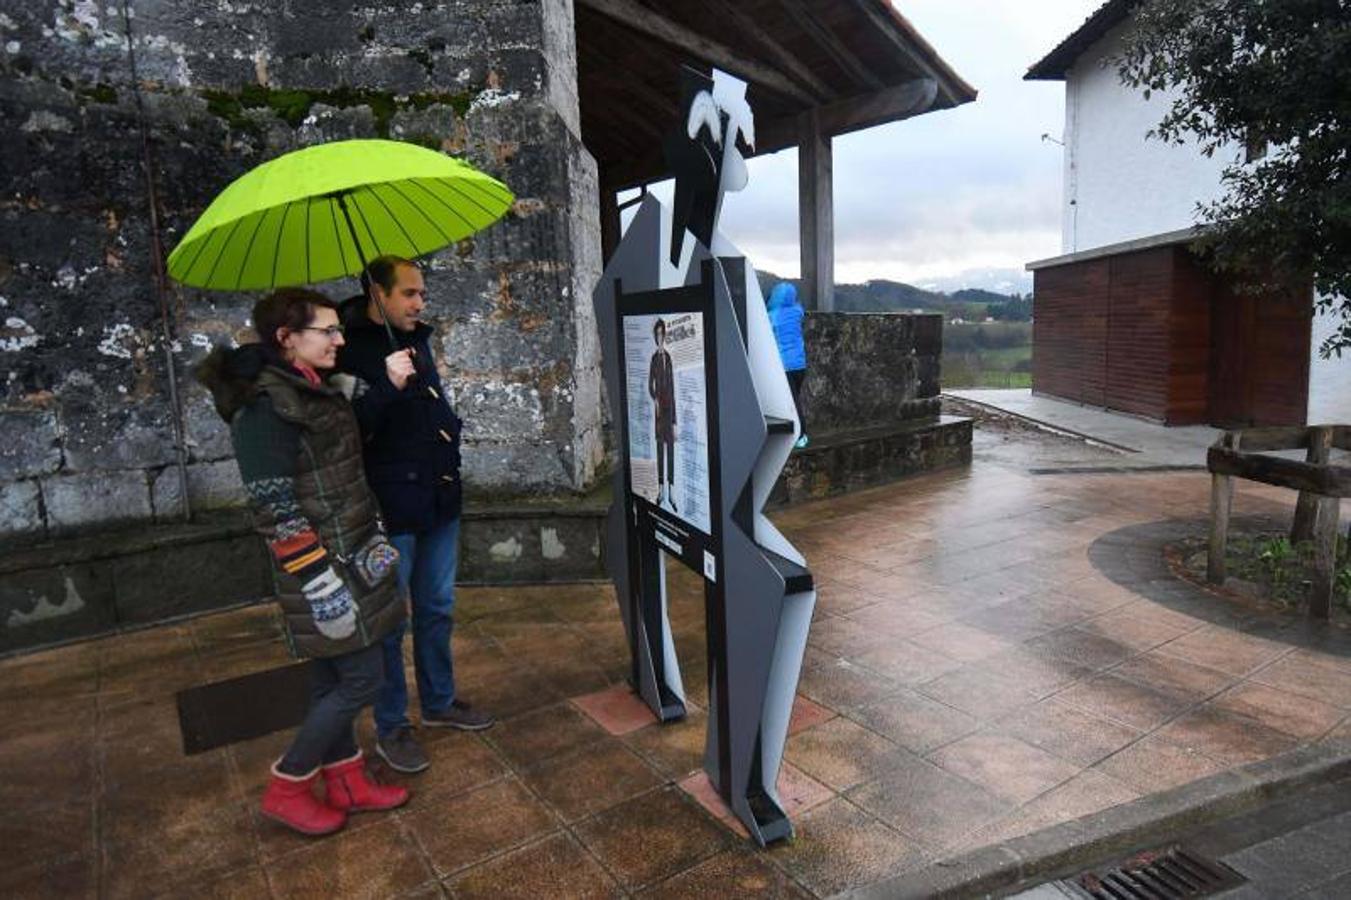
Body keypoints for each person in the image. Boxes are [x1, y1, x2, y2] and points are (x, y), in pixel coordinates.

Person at [197, 288, 409, 837]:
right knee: (364, 678)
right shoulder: (264, 409)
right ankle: (289, 785)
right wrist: (320, 585)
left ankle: (346, 780)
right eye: (328, 331)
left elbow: (336, 454)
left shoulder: (313, 389)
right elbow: (273, 508)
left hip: (354, 554)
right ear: (287, 339)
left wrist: (386, 383)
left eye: (339, 329)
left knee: (327, 683)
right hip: (326, 571)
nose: (340, 340)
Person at [337, 256, 493, 777]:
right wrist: (386, 385)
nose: (420, 303)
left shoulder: (416, 338)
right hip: (389, 510)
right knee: (388, 621)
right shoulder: (346, 350)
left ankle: (439, 701)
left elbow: (431, 408)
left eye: (421, 293)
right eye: (409, 294)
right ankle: (391, 725)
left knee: (437, 606)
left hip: (439, 499)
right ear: (375, 294)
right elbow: (347, 434)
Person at [767, 282, 809, 448]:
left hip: (785, 367)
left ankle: (801, 436)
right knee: (794, 399)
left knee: (792, 404)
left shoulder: (772, 315)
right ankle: (796, 434)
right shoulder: (797, 311)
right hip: (800, 365)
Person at [648, 318, 677, 512]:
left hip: (669, 409)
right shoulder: (654, 358)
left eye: (662, 334)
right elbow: (650, 383)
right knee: (660, 448)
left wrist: (674, 421)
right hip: (659, 410)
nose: (660, 337)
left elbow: (673, 388)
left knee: (671, 450)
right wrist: (655, 399)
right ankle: (660, 491)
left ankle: (672, 492)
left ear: (665, 335)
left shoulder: (668, 357)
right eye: (657, 334)